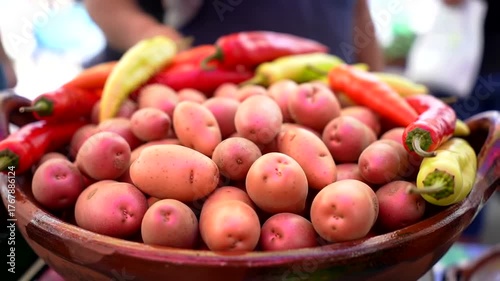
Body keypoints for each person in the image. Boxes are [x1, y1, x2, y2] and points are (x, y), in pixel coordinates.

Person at [82, 0, 385, 71]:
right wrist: (153, 38)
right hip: (209, 99)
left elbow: (358, 12)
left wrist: (376, 78)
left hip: (335, 98)